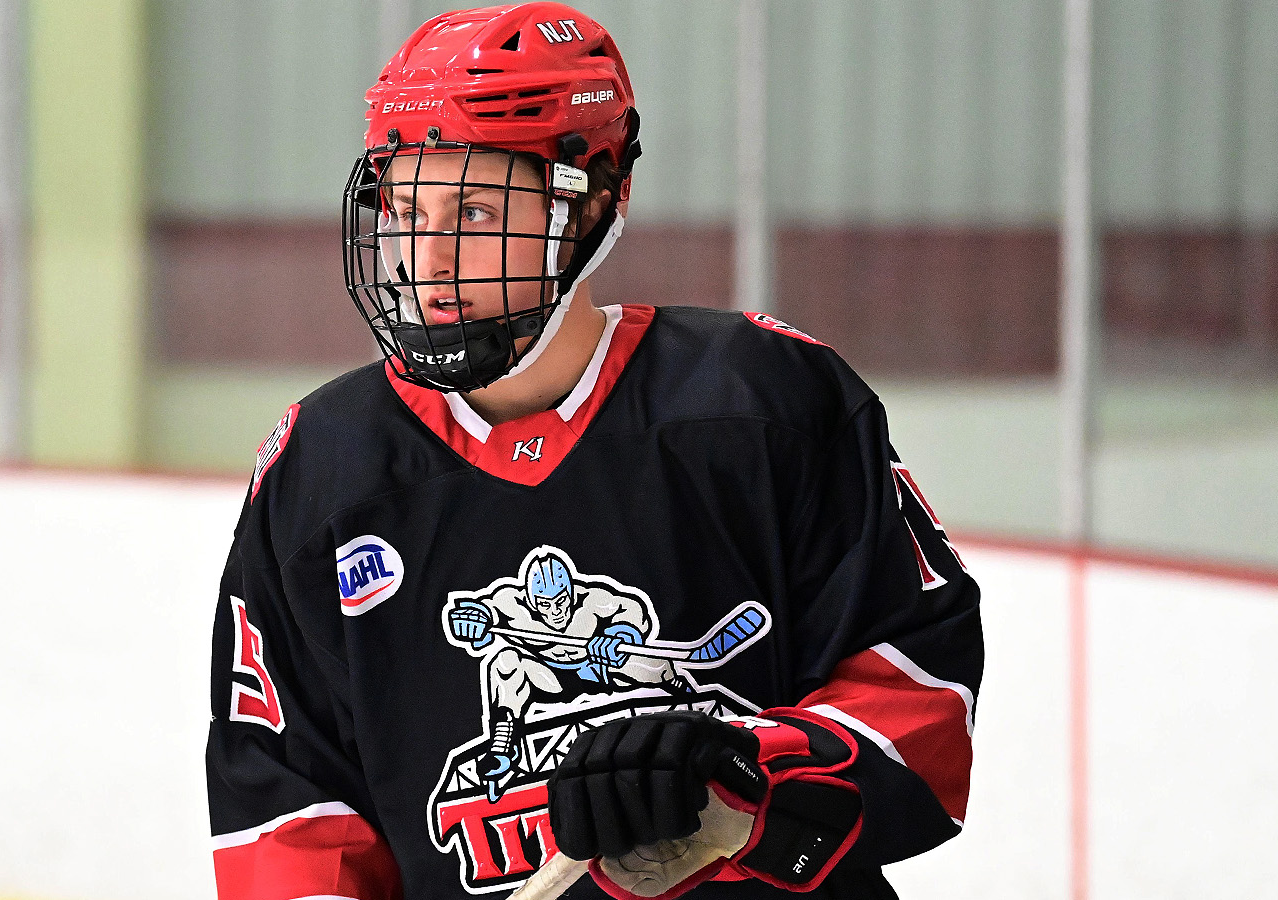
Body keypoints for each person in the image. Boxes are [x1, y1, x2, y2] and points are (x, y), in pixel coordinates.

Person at [206, 4, 982, 899]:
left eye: (477, 209)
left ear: (596, 198)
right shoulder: (324, 473)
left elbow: (924, 705)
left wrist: (745, 785)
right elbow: (290, 820)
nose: (429, 257)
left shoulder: (766, 405)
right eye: (407, 206)